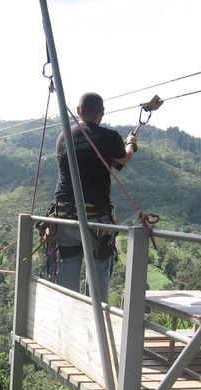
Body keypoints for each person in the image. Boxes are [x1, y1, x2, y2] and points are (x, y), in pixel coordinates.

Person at [53, 92, 137, 300]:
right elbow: (123, 159)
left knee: (68, 266)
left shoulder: (63, 137)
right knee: (98, 269)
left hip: (64, 215)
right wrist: (131, 143)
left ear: (79, 111)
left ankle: (65, 318)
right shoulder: (110, 137)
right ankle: (93, 321)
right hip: (96, 218)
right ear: (101, 113)